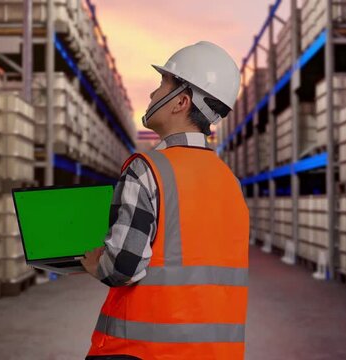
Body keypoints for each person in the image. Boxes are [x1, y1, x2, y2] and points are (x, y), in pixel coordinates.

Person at [81, 41, 249, 360]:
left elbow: (122, 267)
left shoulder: (147, 170)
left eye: (162, 84)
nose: (153, 94)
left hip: (142, 352)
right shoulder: (231, 183)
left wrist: (94, 262)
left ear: (181, 101)